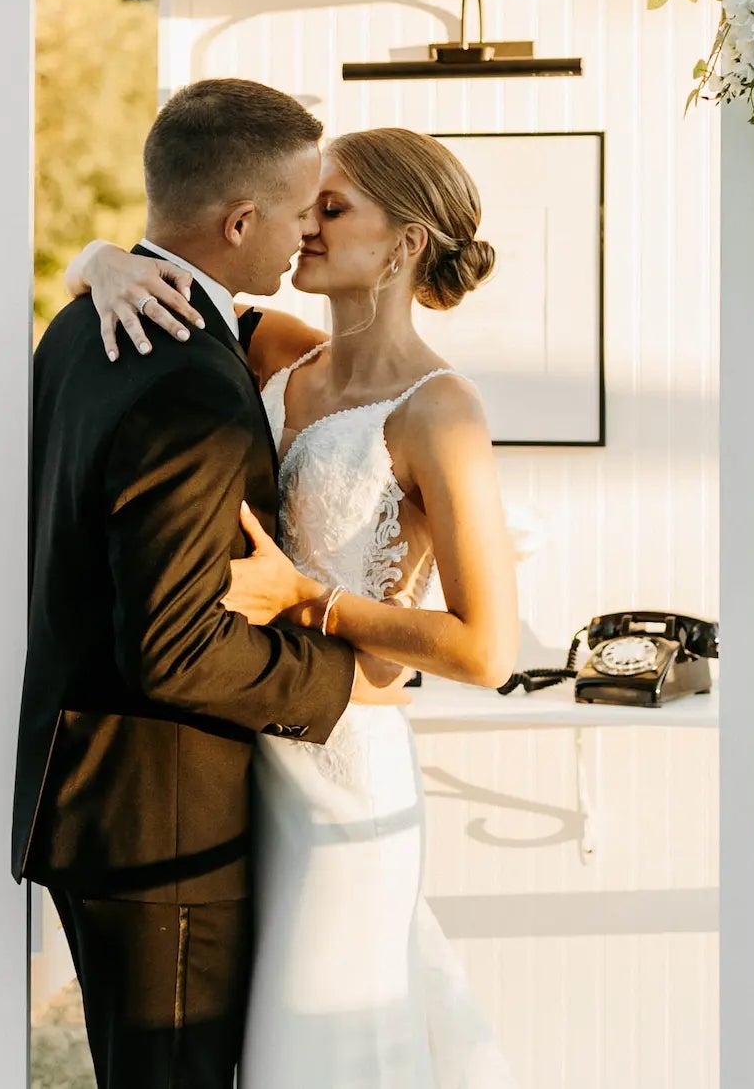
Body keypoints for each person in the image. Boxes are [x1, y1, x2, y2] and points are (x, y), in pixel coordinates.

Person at [70, 123, 522, 1086]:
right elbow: (173, 280)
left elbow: (487, 651)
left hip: (346, 766)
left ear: (404, 244)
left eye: (332, 207)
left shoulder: (444, 409)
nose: (303, 226)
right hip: (237, 751)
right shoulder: (281, 357)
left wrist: (314, 601)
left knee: (315, 1049)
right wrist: (100, 261)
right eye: (304, 205)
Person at [15, 78, 410, 1089]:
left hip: (99, 791)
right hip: (161, 816)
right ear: (240, 220)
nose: (302, 236)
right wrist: (340, 681)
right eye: (295, 211)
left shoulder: (84, 324)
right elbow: (175, 645)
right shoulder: (182, 361)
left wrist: (96, 260)